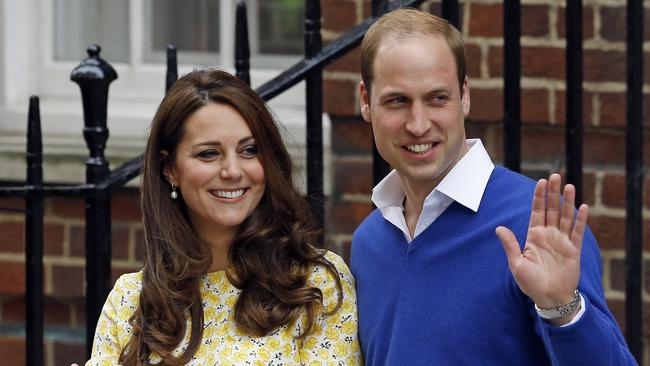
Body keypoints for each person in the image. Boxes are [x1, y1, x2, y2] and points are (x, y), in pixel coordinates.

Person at [351, 8, 635, 365]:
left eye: (438, 98)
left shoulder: (534, 224)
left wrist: (563, 310)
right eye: (398, 101)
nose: (419, 124)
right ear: (365, 101)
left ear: (464, 96)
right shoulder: (369, 242)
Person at [84, 69, 361, 365]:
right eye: (209, 154)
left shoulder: (315, 285)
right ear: (170, 169)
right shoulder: (129, 301)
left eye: (249, 150)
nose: (232, 171)